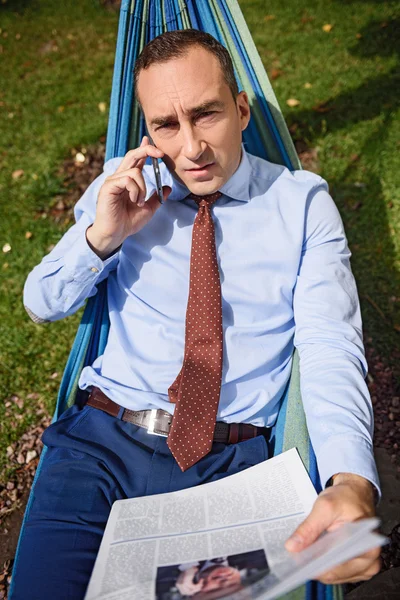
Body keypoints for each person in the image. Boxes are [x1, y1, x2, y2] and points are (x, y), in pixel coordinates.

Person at [13, 29, 381, 600]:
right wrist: (102, 237)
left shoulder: (302, 205)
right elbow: (41, 303)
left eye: (206, 115)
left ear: (240, 109)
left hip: (230, 467)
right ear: (149, 132)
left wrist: (351, 481)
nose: (191, 148)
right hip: (100, 447)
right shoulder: (126, 189)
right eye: (166, 125)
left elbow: (330, 344)